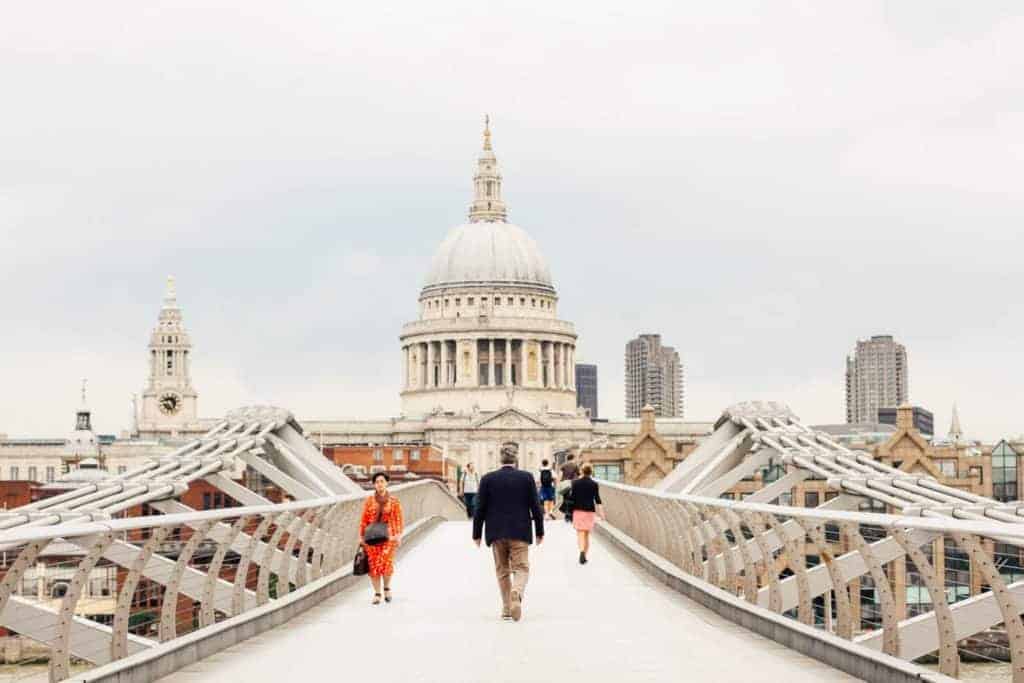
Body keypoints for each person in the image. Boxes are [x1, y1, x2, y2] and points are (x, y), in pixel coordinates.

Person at [472, 450, 544, 622]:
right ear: (516, 460)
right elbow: (536, 506)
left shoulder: (487, 479)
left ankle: (506, 608)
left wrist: (477, 534)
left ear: (500, 460)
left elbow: (479, 508)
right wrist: (539, 531)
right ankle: (516, 592)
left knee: (502, 570)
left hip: (496, 532)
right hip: (520, 531)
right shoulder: (526, 478)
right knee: (521, 568)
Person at [359, 472, 404, 604]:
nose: (379, 484)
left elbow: (398, 519)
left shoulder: (394, 502)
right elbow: (364, 519)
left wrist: (398, 535)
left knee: (386, 564)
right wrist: (361, 536)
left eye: (382, 481)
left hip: (389, 538)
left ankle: (387, 588)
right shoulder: (369, 501)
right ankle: (377, 593)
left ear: (387, 483)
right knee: (374, 566)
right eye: (377, 482)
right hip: (372, 538)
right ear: (374, 484)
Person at [569, 464, 605, 565]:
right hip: (590, 511)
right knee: (587, 535)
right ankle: (585, 554)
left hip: (578, 511)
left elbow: (572, 497)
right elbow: (597, 499)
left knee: (580, 533)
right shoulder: (594, 484)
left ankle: (581, 551)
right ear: (591, 472)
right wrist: (602, 514)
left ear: (582, 471)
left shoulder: (575, 483)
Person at [559, 454, 580, 522]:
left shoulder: (563, 465)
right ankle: (570, 516)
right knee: (572, 500)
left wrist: (560, 482)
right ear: (573, 458)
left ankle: (566, 516)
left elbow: (560, 474)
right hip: (573, 484)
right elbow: (579, 474)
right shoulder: (575, 465)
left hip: (565, 484)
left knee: (565, 499)